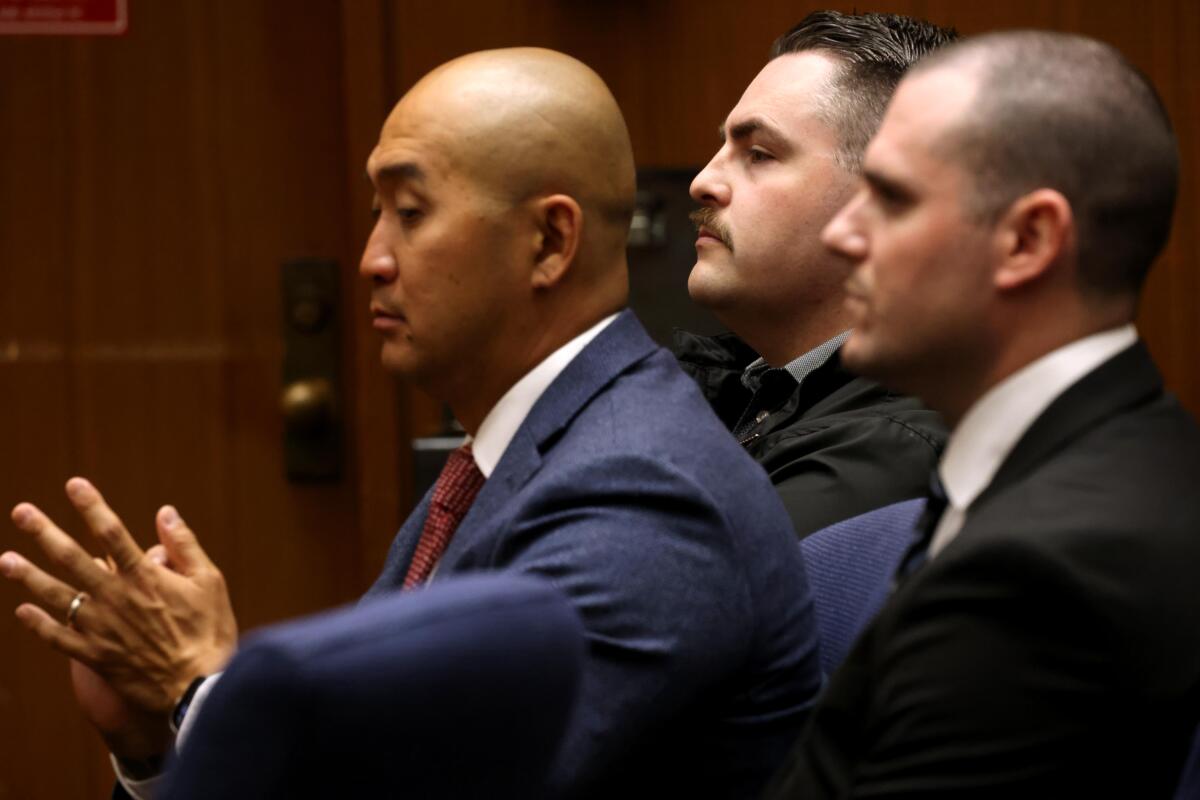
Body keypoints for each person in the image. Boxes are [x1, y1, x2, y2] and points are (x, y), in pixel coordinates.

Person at [0, 49, 821, 799]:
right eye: (376, 213)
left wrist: (198, 687)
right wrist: (153, 749)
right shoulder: (509, 459)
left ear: (549, 239)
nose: (370, 258)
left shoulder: (641, 492)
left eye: (410, 212)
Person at [767, 30, 1200, 797]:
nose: (843, 234)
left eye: (892, 198)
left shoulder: (1039, 575)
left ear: (1027, 240)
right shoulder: (1131, 445)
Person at [675, 11, 954, 539]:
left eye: (758, 153)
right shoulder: (748, 389)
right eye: (723, 148)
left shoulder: (886, 449)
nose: (703, 181)